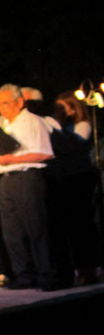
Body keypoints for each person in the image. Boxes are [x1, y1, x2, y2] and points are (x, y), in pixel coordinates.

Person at [0, 84, 55, 290]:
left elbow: (45, 153)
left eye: (6, 103)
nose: (2, 108)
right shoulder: (2, 124)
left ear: (19, 102)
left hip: (28, 177)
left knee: (35, 227)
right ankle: (22, 275)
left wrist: (12, 159)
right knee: (12, 230)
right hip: (7, 178)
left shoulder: (34, 121)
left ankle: (46, 274)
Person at [45, 91, 98, 285]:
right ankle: (69, 267)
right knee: (64, 226)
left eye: (64, 108)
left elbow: (72, 146)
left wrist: (56, 129)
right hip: (61, 179)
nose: (62, 112)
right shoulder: (61, 128)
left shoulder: (81, 126)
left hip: (79, 178)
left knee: (81, 225)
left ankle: (88, 267)